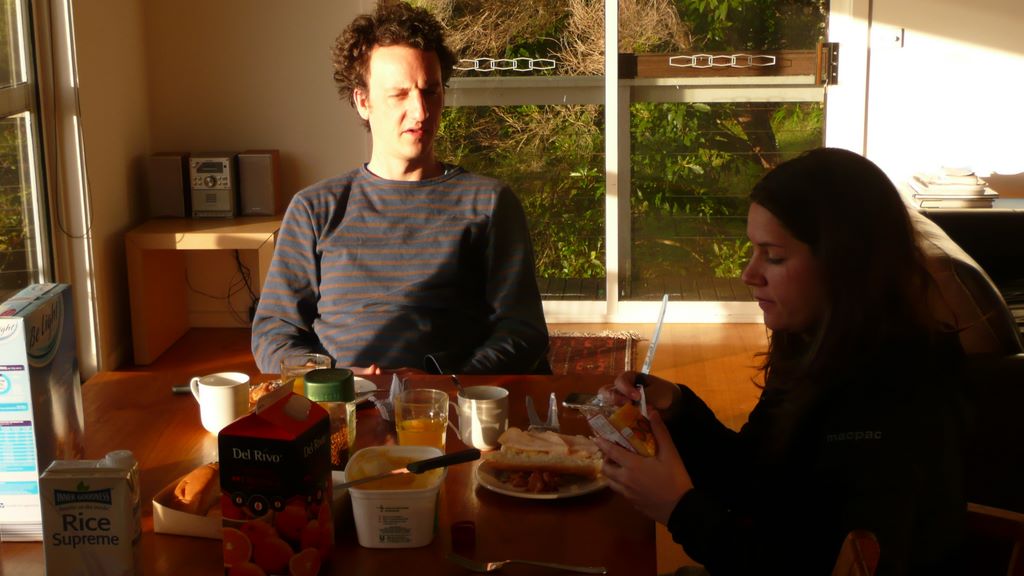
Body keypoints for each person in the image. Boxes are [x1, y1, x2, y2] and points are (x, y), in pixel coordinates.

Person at [596, 148, 966, 573]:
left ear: (844, 264)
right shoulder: (816, 343)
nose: (749, 274)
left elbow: (800, 561)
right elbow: (757, 475)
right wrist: (678, 409)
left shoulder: (898, 390)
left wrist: (678, 508)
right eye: (754, 251)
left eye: (773, 256)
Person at [252, 1, 550, 376]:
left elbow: (523, 331)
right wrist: (332, 379)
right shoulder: (315, 209)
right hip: (341, 401)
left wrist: (450, 383)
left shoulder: (489, 204)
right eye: (400, 94)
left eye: (431, 91)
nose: (421, 112)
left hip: (451, 401)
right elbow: (274, 334)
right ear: (363, 101)